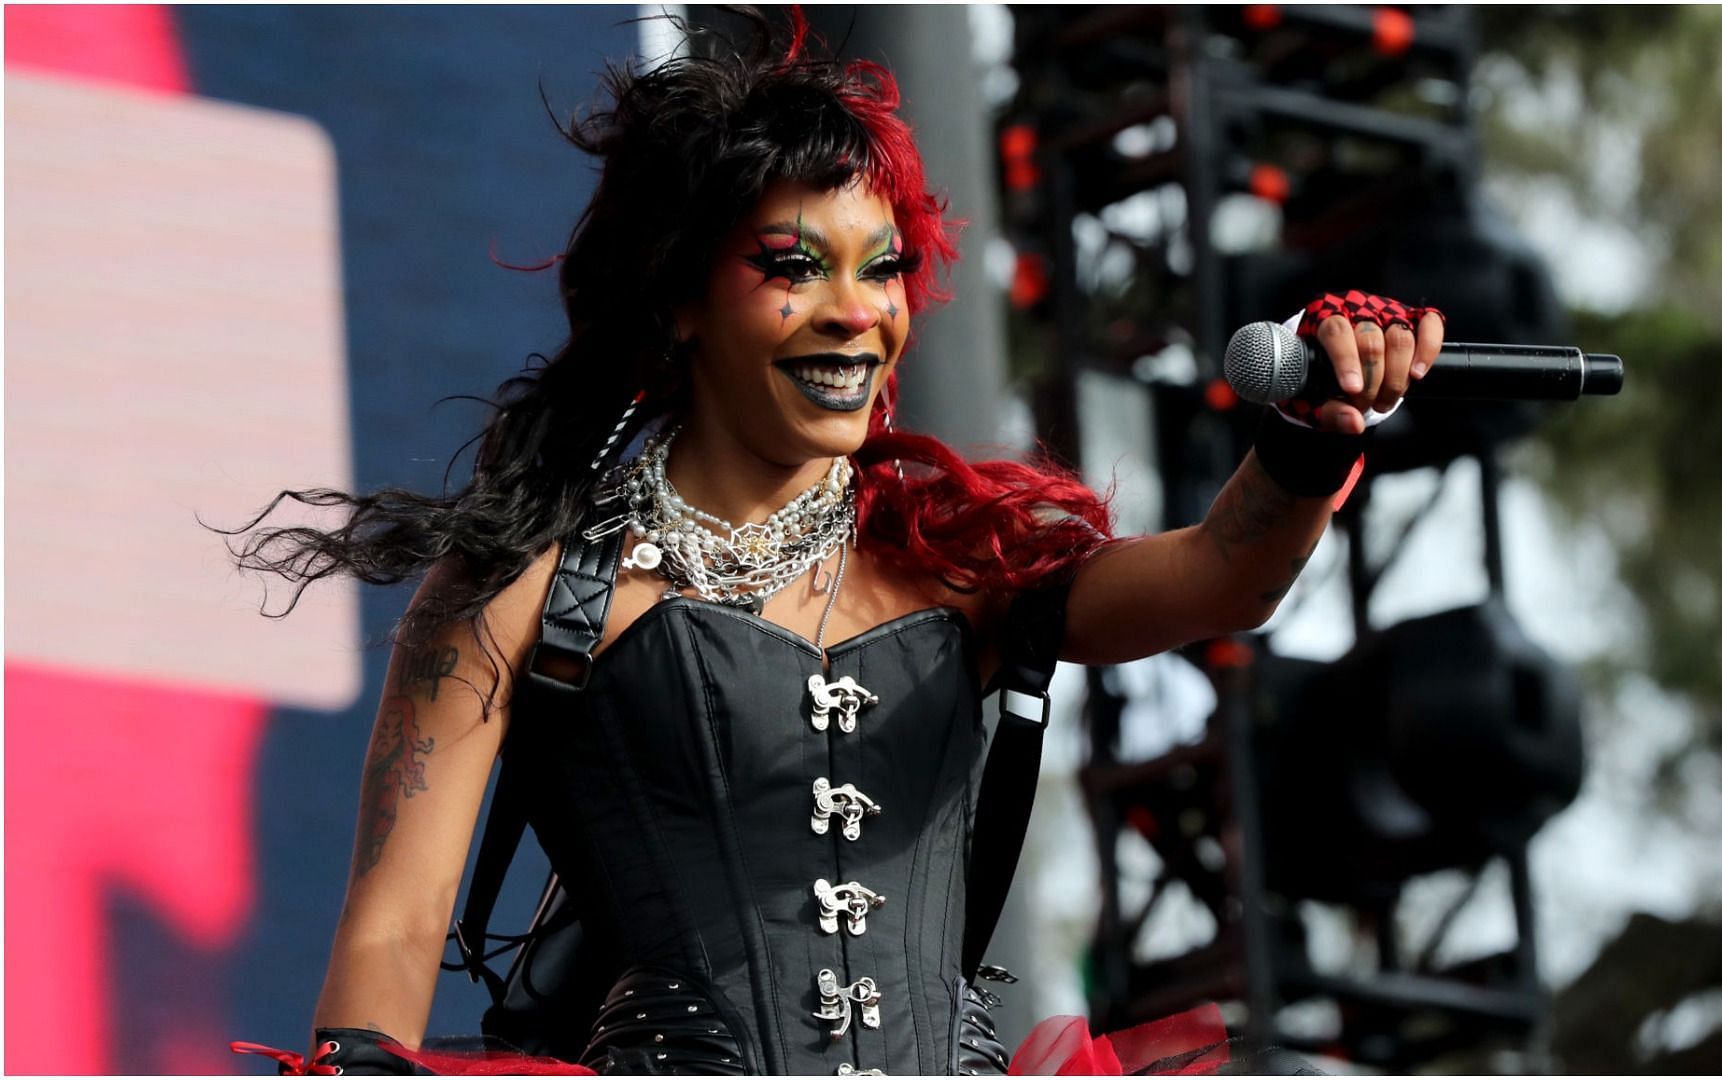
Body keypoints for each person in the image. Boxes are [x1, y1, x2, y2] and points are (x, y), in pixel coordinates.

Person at [228, 11, 1441, 1077]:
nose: (857, 313)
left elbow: (1222, 577)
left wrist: (1309, 436)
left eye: (886, 268)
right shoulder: (523, 590)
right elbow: (393, 932)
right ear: (677, 295)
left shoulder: (961, 564)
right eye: (792, 268)